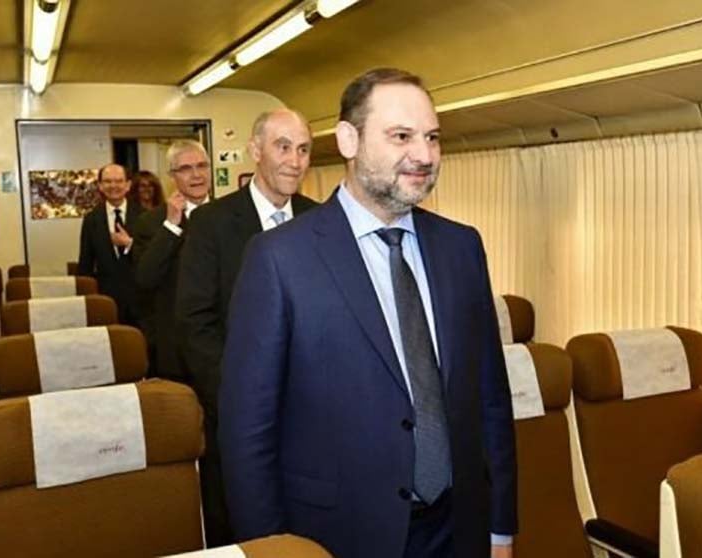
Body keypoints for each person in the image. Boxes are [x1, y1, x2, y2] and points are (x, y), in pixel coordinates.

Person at [218, 69, 517, 558]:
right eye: (401, 136)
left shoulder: (462, 247)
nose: (423, 155)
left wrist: (500, 529)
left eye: (432, 138)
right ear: (348, 139)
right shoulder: (278, 259)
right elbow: (249, 433)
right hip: (338, 536)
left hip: (458, 528)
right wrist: (271, 550)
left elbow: (490, 400)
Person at [176, 107, 318, 547]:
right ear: (255, 151)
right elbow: (195, 323)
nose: (295, 160)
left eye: (304, 149)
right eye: (282, 147)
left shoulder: (321, 220)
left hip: (314, 413)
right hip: (240, 413)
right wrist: (245, 398)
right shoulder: (211, 224)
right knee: (245, 531)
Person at [132, 141, 211, 380]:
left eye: (201, 166)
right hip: (176, 347)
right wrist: (171, 228)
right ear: (172, 177)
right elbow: (144, 278)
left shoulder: (231, 214)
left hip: (224, 342)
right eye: (186, 168)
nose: (196, 175)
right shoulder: (151, 223)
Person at [77, 163, 143, 326]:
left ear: (128, 185)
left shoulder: (145, 216)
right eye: (107, 181)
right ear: (100, 186)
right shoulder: (91, 219)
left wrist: (129, 243)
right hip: (105, 299)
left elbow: (152, 256)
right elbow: (85, 263)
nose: (113, 186)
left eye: (119, 181)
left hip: (140, 298)